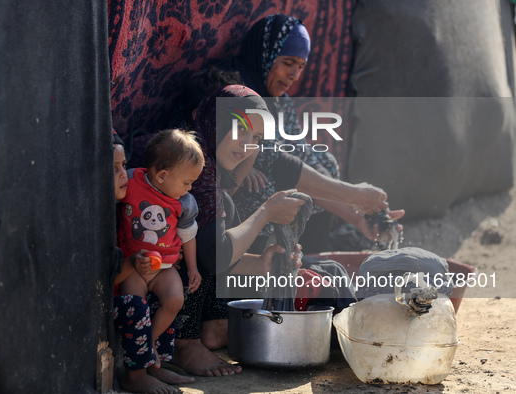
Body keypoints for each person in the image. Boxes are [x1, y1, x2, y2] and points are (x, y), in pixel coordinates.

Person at [216, 14, 404, 253]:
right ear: (266, 54)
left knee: (324, 162)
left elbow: (299, 154)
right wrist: (353, 196)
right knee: (262, 186)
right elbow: (274, 161)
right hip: (214, 183)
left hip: (266, 168)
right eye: (288, 62)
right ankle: (249, 266)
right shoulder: (231, 90)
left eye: (301, 66)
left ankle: (311, 257)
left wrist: (356, 215)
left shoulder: (278, 101)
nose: (295, 74)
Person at [172, 85, 306, 377]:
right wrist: (266, 212)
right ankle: (184, 342)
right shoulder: (187, 164)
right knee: (215, 220)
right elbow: (212, 255)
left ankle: (207, 326)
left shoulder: (211, 172)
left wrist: (259, 263)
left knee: (227, 209)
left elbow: (216, 249)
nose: (247, 144)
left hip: (178, 274)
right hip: (150, 276)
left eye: (256, 138)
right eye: (241, 129)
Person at [111, 131, 194, 394]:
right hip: (133, 266)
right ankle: (136, 374)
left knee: (174, 300)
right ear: (161, 176)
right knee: (136, 308)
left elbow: (187, 233)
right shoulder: (132, 183)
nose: (189, 188)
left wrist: (192, 267)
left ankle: (154, 360)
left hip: (164, 267)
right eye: (187, 182)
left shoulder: (184, 202)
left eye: (123, 166)